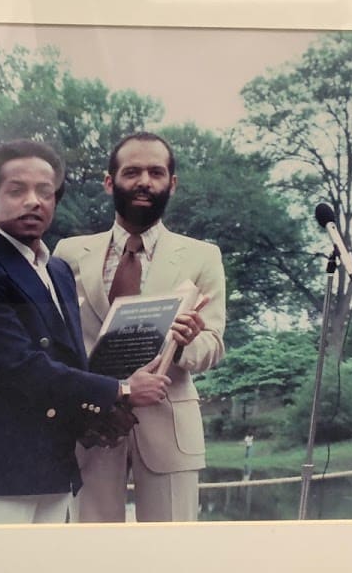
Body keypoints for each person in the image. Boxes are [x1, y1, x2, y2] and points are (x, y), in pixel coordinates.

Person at [0, 140, 170, 525]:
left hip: (56, 463)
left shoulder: (58, 270)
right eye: (17, 190)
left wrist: (100, 415)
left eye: (45, 192)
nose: (33, 201)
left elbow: (69, 358)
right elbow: (17, 367)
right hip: (1, 467)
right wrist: (122, 389)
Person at [54, 132, 226, 522]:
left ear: (172, 184)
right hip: (91, 422)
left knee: (171, 557)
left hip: (169, 426)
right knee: (92, 551)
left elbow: (214, 344)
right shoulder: (68, 252)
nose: (144, 181)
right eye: (132, 172)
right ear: (110, 182)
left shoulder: (203, 256)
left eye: (156, 172)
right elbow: (61, 344)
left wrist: (184, 344)